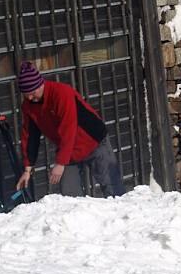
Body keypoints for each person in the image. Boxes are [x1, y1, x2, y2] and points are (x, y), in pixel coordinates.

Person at [16, 61, 125, 197]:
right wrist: (28, 168)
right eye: (26, 95)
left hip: (94, 141)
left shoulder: (62, 93)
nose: (30, 97)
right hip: (69, 151)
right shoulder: (28, 106)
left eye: (32, 92)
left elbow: (68, 127)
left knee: (112, 188)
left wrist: (60, 163)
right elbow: (30, 135)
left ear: (40, 84)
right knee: (69, 196)